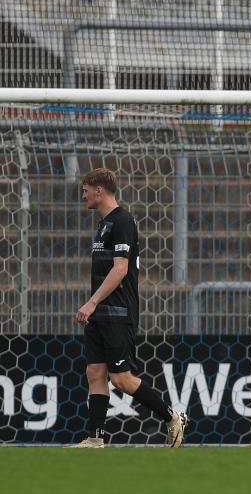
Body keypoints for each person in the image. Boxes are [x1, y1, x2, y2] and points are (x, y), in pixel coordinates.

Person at [71, 168, 187, 448]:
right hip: (100, 313)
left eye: (86, 189)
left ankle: (172, 417)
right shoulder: (103, 224)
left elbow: (121, 269)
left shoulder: (122, 221)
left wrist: (92, 301)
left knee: (122, 379)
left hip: (118, 313)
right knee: (94, 374)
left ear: (99, 190)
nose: (82, 194)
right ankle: (95, 439)